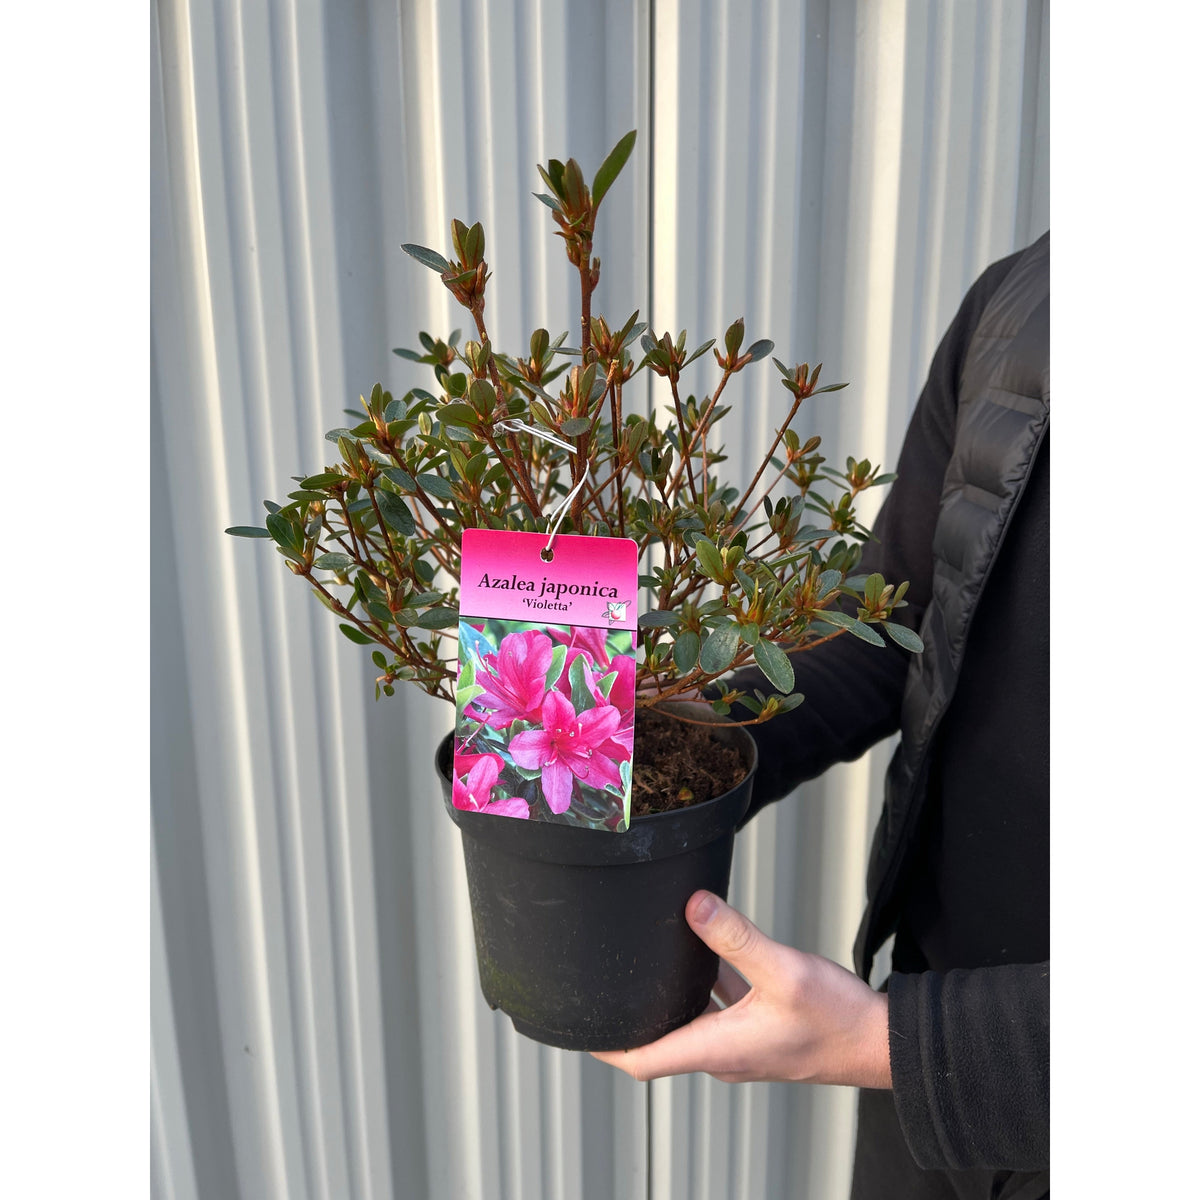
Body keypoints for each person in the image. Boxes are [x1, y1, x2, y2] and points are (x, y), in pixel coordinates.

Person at [593, 232, 1050, 1200]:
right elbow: (894, 613)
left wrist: (890, 1045)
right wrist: (643, 732)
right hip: (923, 1062)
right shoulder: (1024, 299)